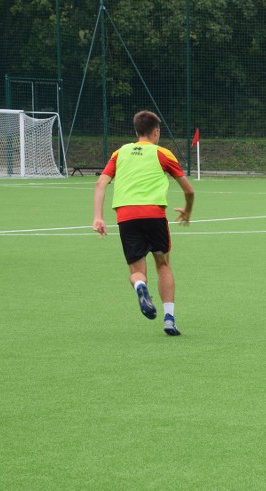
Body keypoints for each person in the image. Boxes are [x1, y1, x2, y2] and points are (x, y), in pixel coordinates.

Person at [92, 110, 195, 336]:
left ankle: (140, 287)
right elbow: (189, 190)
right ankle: (169, 319)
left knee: (137, 272)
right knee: (163, 265)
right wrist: (187, 210)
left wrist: (98, 217)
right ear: (156, 132)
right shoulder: (162, 154)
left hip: (126, 216)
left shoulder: (120, 153)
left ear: (136, 131)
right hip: (154, 214)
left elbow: (101, 183)